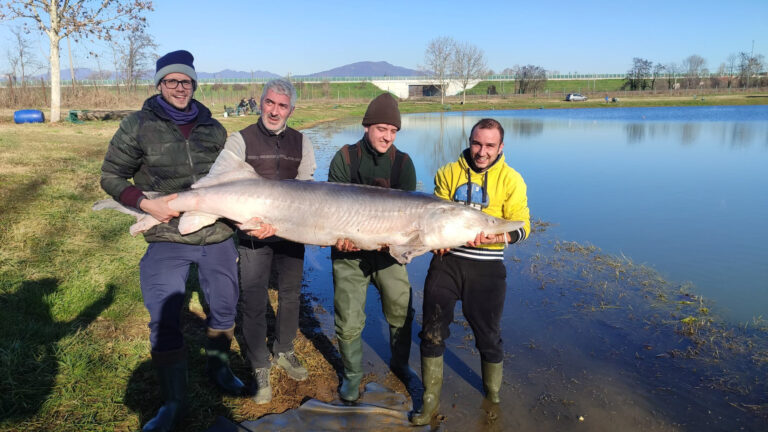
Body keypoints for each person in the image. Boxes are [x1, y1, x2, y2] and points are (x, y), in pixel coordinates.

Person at [100, 50, 244, 432]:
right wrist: (145, 202)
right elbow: (111, 176)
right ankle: (173, 401)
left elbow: (232, 184)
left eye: (186, 81)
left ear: (194, 85)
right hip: (165, 235)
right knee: (164, 315)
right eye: (171, 81)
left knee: (225, 306)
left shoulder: (214, 129)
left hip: (216, 233)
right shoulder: (138, 125)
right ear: (160, 85)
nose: (179, 88)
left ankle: (220, 369)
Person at [411, 118, 530, 425]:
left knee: (488, 338)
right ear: (469, 141)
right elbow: (433, 217)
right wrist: (433, 241)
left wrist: (496, 236)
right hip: (447, 263)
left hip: (487, 268)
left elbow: (522, 226)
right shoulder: (448, 173)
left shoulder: (512, 180)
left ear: (500, 147)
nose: (482, 152)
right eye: (477, 143)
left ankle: (493, 398)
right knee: (432, 333)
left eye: (490, 146)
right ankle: (429, 401)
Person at [208, 78, 316, 404]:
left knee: (291, 295)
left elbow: (308, 189)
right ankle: (258, 363)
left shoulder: (303, 142)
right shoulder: (240, 140)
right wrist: (254, 224)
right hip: (253, 231)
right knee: (254, 299)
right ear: (260, 103)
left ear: (291, 110)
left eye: (282, 106)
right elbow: (219, 182)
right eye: (270, 103)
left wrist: (284, 224)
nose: (275, 110)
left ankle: (284, 349)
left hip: (291, 230)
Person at [327, 93, 420, 403]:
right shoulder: (345, 158)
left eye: (393, 131)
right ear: (367, 126)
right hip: (349, 252)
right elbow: (329, 209)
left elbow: (411, 219)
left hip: (387, 254)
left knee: (400, 307)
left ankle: (400, 363)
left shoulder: (404, 163)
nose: (387, 136)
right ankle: (352, 376)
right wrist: (339, 237)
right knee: (348, 315)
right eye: (382, 129)